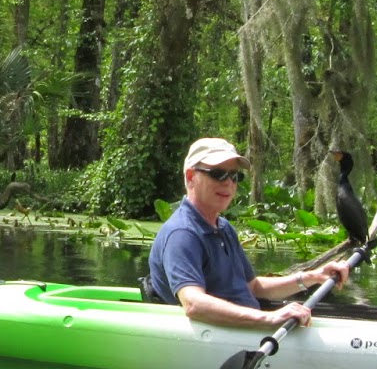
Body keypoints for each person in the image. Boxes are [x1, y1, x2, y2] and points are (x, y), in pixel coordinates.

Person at [147, 136, 347, 329]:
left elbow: (253, 287)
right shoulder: (182, 233)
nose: (228, 183)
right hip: (224, 331)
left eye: (235, 176)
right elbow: (193, 304)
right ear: (191, 177)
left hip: (247, 324)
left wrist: (313, 276)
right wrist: (268, 319)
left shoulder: (224, 227)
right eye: (218, 174)